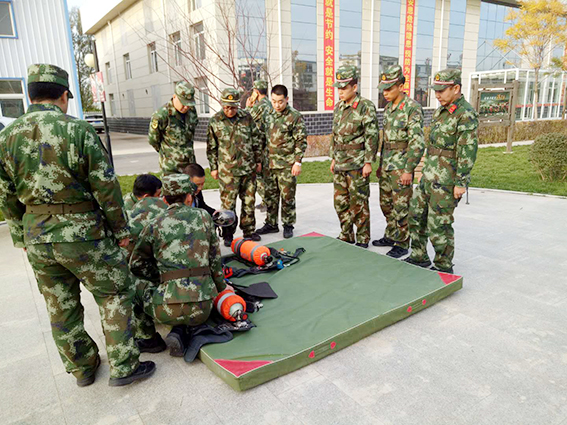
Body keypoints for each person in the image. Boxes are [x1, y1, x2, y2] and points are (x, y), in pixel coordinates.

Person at [0, 64, 155, 387]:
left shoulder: (5, 137)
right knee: (114, 293)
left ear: (30, 95)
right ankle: (124, 365)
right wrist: (121, 231)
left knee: (60, 305)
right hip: (85, 233)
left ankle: (83, 368)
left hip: (38, 236)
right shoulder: (79, 130)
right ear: (63, 95)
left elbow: (6, 195)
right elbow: (106, 187)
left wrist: (21, 236)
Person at [130, 174, 228, 356]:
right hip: (203, 307)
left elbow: (136, 265)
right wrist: (222, 288)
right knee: (191, 307)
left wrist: (160, 279)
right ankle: (185, 328)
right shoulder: (204, 217)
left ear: (164, 199)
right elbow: (215, 259)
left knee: (132, 283)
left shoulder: (154, 224)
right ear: (189, 197)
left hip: (166, 309)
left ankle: (149, 338)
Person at [405, 69, 479, 273]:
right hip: (429, 175)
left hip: (447, 179)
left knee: (439, 224)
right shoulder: (441, 111)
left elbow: (467, 150)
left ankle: (443, 266)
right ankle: (419, 256)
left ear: (456, 88)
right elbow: (433, 146)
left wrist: (460, 182)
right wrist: (423, 171)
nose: (437, 95)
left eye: (441, 90)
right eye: (435, 90)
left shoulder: (465, 114)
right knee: (416, 215)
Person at [373, 65, 425, 258]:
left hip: (401, 166)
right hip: (387, 165)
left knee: (402, 206)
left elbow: (417, 142)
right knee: (386, 204)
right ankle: (391, 234)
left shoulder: (412, 108)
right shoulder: (388, 108)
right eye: (383, 89)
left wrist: (409, 169)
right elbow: (385, 140)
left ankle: (402, 243)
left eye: (389, 89)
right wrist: (380, 165)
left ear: (401, 86)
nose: (385, 93)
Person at [206, 88, 263, 247]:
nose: (230, 110)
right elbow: (211, 147)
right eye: (226, 107)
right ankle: (228, 234)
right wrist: (214, 167)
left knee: (249, 202)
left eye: (233, 107)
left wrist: (258, 161)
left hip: (248, 169)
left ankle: (249, 231)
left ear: (238, 105)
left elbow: (256, 140)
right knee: (228, 205)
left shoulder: (246, 117)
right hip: (228, 172)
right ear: (222, 104)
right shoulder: (215, 121)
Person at [329, 65, 379, 248]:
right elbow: (334, 134)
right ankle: (346, 234)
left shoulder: (365, 107)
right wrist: (333, 158)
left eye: (344, 88)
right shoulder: (338, 107)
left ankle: (363, 238)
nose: (340, 92)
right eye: (338, 88)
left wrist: (368, 162)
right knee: (340, 202)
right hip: (340, 163)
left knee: (358, 203)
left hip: (357, 163)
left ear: (354, 87)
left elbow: (372, 135)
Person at [256, 84, 307, 239]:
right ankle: (271, 224)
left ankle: (288, 225)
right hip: (269, 164)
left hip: (287, 165)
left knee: (287, 197)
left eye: (280, 101)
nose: (277, 105)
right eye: (274, 101)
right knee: (270, 196)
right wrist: (259, 160)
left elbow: (301, 141)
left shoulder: (294, 116)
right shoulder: (267, 113)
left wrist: (297, 162)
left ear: (287, 99)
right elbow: (261, 137)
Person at [148, 81, 198, 174]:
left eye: (189, 103)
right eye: (183, 103)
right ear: (174, 97)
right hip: (171, 168)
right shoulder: (161, 115)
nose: (186, 107)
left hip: (190, 165)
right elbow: (153, 140)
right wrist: (169, 153)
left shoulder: (192, 112)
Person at [246, 79, 273, 212]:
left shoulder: (260, 106)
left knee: (258, 175)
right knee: (266, 175)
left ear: (256, 92)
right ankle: (266, 201)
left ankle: (268, 201)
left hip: (260, 145)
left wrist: (248, 106)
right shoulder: (269, 103)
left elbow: (245, 118)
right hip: (268, 144)